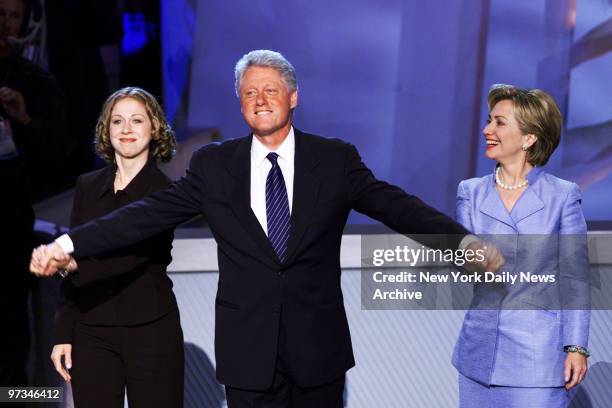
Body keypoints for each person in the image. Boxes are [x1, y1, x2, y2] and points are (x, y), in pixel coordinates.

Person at [31, 50, 503, 408]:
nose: (260, 100)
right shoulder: (215, 166)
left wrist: (460, 243)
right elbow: (144, 214)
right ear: (240, 104)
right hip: (247, 351)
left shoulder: (333, 160)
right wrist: (71, 241)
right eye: (249, 93)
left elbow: (396, 207)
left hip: (317, 349)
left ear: (292, 97)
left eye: (270, 90)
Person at [34, 87, 183, 408]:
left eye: (136, 121)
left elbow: (132, 256)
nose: (126, 129)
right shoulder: (88, 186)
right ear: (106, 129)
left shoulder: (165, 192)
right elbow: (73, 268)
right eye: (117, 121)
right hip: (91, 331)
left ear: (154, 128)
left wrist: (69, 263)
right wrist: (63, 332)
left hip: (150, 331)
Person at [452, 84, 590, 407]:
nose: (487, 130)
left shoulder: (562, 196)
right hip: (479, 358)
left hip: (537, 360)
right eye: (489, 121)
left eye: (499, 123)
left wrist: (576, 346)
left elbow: (575, 278)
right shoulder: (469, 192)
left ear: (529, 138)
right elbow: (461, 262)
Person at [0, 0, 69, 388]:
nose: (5, 23)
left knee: (12, 327)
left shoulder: (34, 81)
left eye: (11, 15)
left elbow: (63, 152)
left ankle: (19, 399)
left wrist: (24, 120)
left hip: (11, 224)